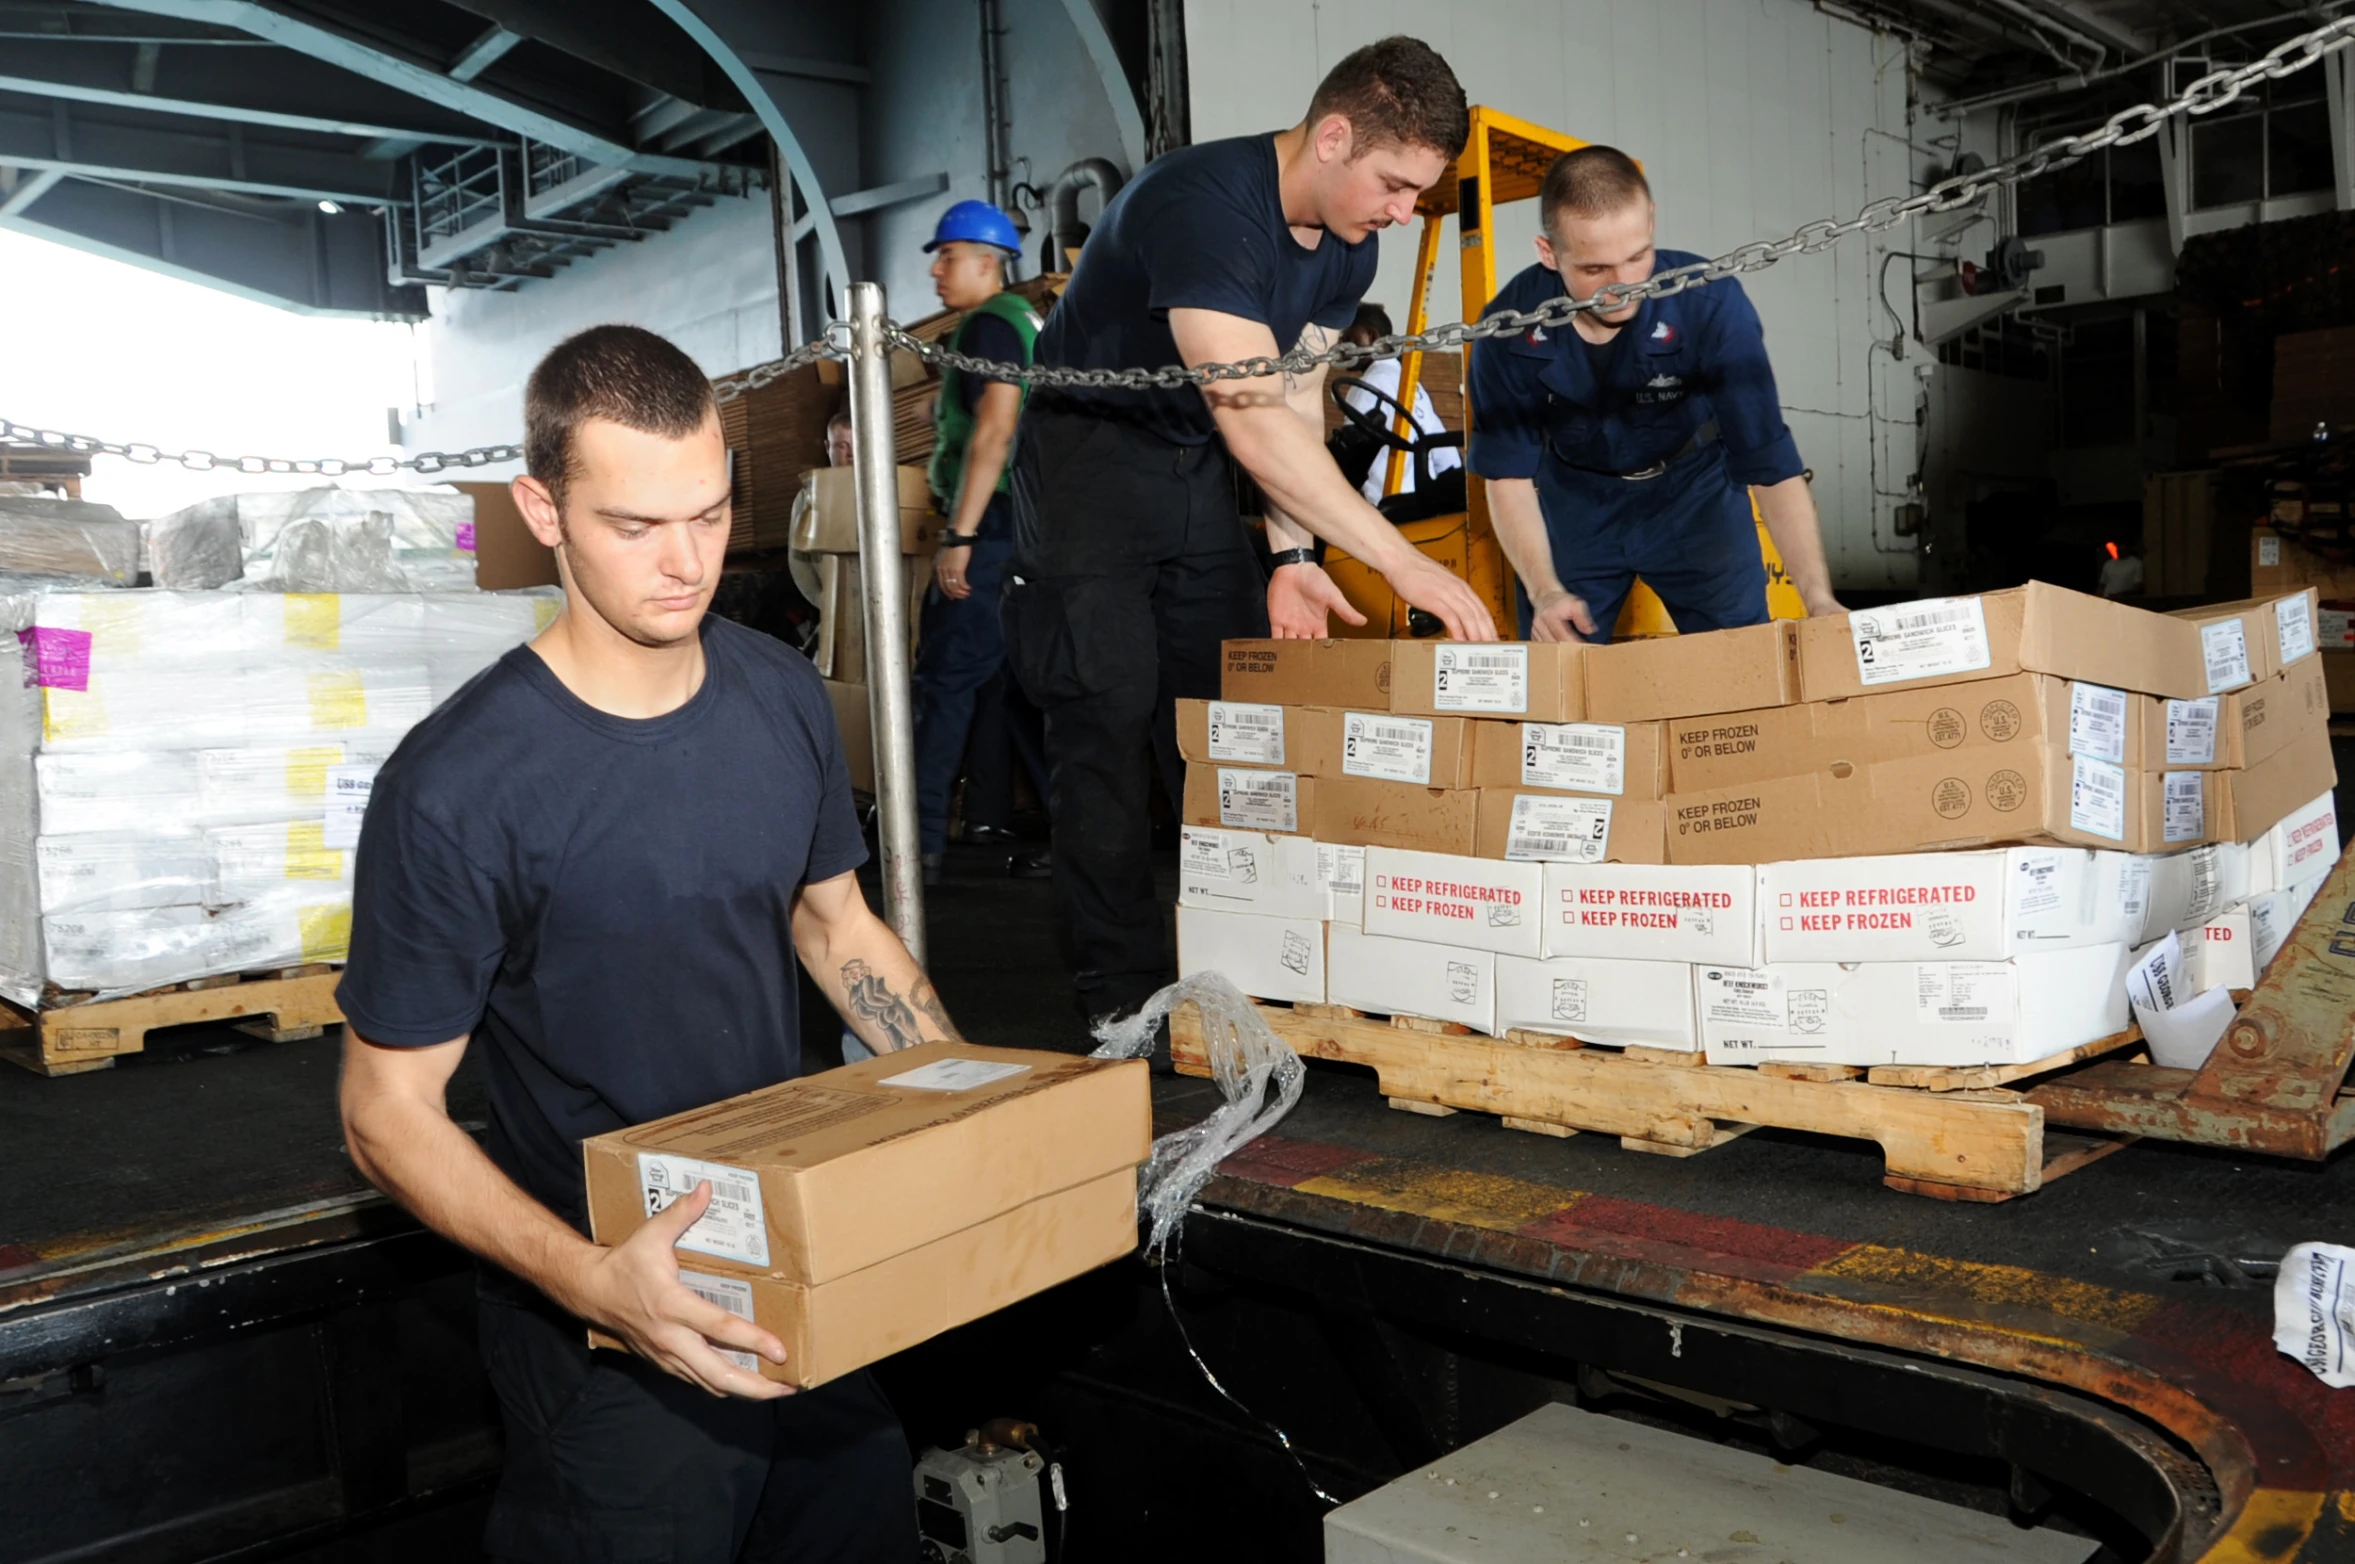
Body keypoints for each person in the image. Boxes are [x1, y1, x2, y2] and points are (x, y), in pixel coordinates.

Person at [336, 324, 946, 1563]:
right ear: (542, 509)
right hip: (605, 1320)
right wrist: (590, 1284)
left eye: (713, 514)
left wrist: (956, 1106)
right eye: (635, 526)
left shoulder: (778, 692)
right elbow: (385, 1112)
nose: (688, 563)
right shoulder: (459, 787)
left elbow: (834, 924)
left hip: (792, 1260)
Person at [1007, 34, 1495, 1027]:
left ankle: (1233, 961)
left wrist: (1294, 553)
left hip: (1195, 464)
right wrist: (1403, 564)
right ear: (1332, 137)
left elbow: (1293, 397)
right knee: (1104, 722)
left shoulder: (1350, 246)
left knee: (1221, 729)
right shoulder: (1203, 207)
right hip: (1086, 461)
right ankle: (1123, 1002)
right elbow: (1247, 416)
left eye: (1416, 195)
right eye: (1395, 184)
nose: (1402, 214)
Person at [1468, 145, 1843, 643]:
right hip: (1577, 505)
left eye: (1637, 257)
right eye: (1595, 270)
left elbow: (1769, 461)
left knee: (1741, 669)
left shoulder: (1708, 305)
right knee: (1556, 678)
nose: (1623, 287)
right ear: (1548, 253)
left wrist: (1817, 598)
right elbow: (1509, 478)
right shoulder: (1508, 332)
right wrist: (1545, 591)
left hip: (1696, 497)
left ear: (1651, 222)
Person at [912, 200, 1051, 887]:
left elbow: (995, 432)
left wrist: (959, 537)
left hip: (990, 526)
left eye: (949, 254)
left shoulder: (988, 325)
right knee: (1020, 687)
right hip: (1031, 526)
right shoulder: (1025, 321)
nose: (937, 269)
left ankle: (916, 845)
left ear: (988, 261)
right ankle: (1073, 839)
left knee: (943, 684)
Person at [1338, 302, 1461, 502]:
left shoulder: (1367, 386)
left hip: (1385, 504)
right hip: (1422, 499)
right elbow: (1446, 454)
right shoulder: (1412, 385)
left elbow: (1351, 461)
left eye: (1348, 339)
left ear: (1371, 336)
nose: (1341, 348)